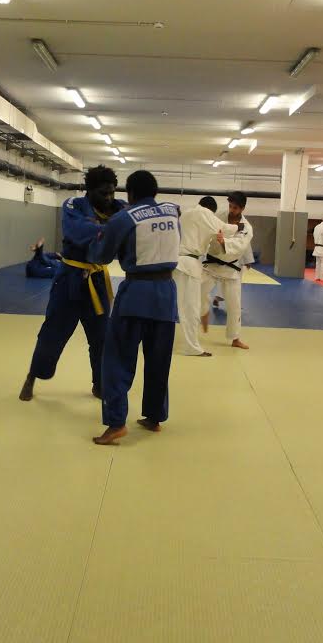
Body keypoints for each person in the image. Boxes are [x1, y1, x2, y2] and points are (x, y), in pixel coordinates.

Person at [87, 170, 180, 445]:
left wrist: (100, 233)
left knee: (116, 359)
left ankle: (116, 423)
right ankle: (154, 417)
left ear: (130, 193)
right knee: (159, 359)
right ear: (155, 192)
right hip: (167, 294)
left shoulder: (123, 218)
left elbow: (101, 256)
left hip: (136, 294)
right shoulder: (173, 213)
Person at [19, 166, 124, 402]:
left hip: (97, 280)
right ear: (89, 190)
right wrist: (112, 229)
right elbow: (78, 231)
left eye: (111, 193)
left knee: (102, 337)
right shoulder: (73, 205)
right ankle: (32, 376)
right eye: (103, 193)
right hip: (70, 279)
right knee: (53, 332)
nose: (109, 198)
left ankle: (99, 384)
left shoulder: (118, 208)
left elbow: (134, 220)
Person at [173, 196, 239, 357]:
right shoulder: (204, 213)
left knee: (178, 305)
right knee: (191, 308)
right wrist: (239, 226)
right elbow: (224, 229)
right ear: (211, 210)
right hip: (189, 265)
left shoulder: (186, 214)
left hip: (176, 263)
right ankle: (192, 348)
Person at [200, 192, 254, 350]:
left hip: (231, 268)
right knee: (198, 291)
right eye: (230, 206)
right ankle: (203, 312)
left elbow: (240, 246)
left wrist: (224, 242)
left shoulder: (247, 227)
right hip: (212, 264)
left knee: (234, 305)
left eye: (235, 207)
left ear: (242, 209)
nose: (231, 210)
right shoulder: (219, 217)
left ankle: (235, 338)